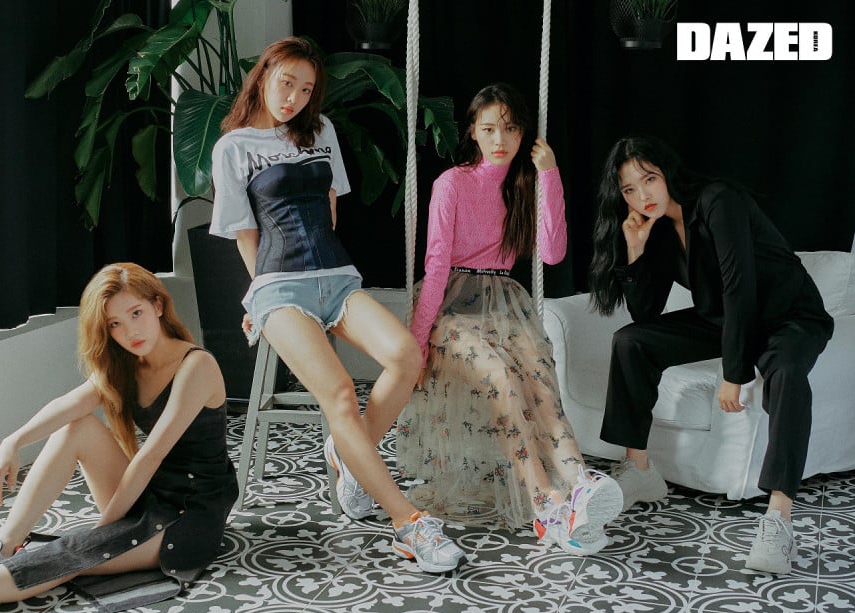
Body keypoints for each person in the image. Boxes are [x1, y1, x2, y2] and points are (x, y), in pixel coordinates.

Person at [210, 36, 466, 574]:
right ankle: (408, 524)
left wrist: (331, 275)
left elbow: (329, 208)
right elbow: (245, 234)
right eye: (286, 83)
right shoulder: (233, 147)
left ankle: (349, 453)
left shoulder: (321, 131)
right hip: (280, 286)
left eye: (306, 89)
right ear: (264, 76)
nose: (295, 98)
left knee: (406, 357)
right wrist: (259, 294)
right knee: (342, 394)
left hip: (337, 277)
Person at [0, 263, 239, 613]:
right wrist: (12, 441)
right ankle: (2, 548)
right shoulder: (128, 366)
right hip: (154, 495)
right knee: (77, 427)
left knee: (72, 553)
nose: (130, 332)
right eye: (115, 324)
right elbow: (70, 405)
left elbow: (149, 456)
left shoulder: (196, 366)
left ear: (158, 305)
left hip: (191, 518)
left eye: (136, 313)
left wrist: (101, 534)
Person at [395, 83, 623, 555]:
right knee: (501, 377)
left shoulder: (526, 185)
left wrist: (550, 174)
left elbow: (553, 252)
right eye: (489, 129)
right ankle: (545, 502)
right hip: (453, 304)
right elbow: (435, 265)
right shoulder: (452, 183)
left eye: (511, 129)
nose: (500, 140)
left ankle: (579, 484)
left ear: (524, 135)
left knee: (540, 378)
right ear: (472, 132)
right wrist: (418, 339)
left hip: (503, 300)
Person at [588, 135, 834, 574]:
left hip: (788, 316)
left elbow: (741, 288)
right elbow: (646, 314)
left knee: (787, 372)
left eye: (649, 179)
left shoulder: (719, 200)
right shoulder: (657, 227)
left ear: (667, 173)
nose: (643, 195)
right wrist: (635, 250)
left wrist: (733, 373)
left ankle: (779, 516)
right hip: (723, 319)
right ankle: (639, 469)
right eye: (629, 189)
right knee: (631, 341)